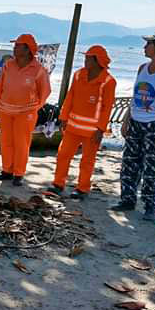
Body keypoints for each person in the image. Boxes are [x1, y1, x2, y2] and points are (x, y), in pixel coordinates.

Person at [110, 31, 155, 221]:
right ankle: (127, 199)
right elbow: (135, 97)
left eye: (149, 44)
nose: (144, 47)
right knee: (129, 163)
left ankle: (151, 206)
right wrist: (126, 120)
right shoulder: (142, 68)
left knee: (152, 166)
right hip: (136, 121)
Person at [50, 45, 116, 199]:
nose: (85, 61)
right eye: (85, 57)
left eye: (88, 58)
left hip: (92, 131)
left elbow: (107, 108)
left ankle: (83, 188)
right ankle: (58, 184)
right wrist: (63, 118)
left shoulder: (108, 81)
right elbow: (70, 97)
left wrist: (100, 130)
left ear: (98, 61)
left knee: (87, 160)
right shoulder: (79, 75)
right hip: (73, 126)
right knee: (63, 155)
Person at [0, 34, 51, 186]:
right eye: (14, 46)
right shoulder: (9, 65)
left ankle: (18, 173)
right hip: (5, 112)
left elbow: (45, 92)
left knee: (21, 143)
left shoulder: (39, 70)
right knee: (6, 142)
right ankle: (7, 171)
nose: (14, 49)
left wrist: (33, 108)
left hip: (26, 114)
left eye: (18, 46)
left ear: (28, 50)